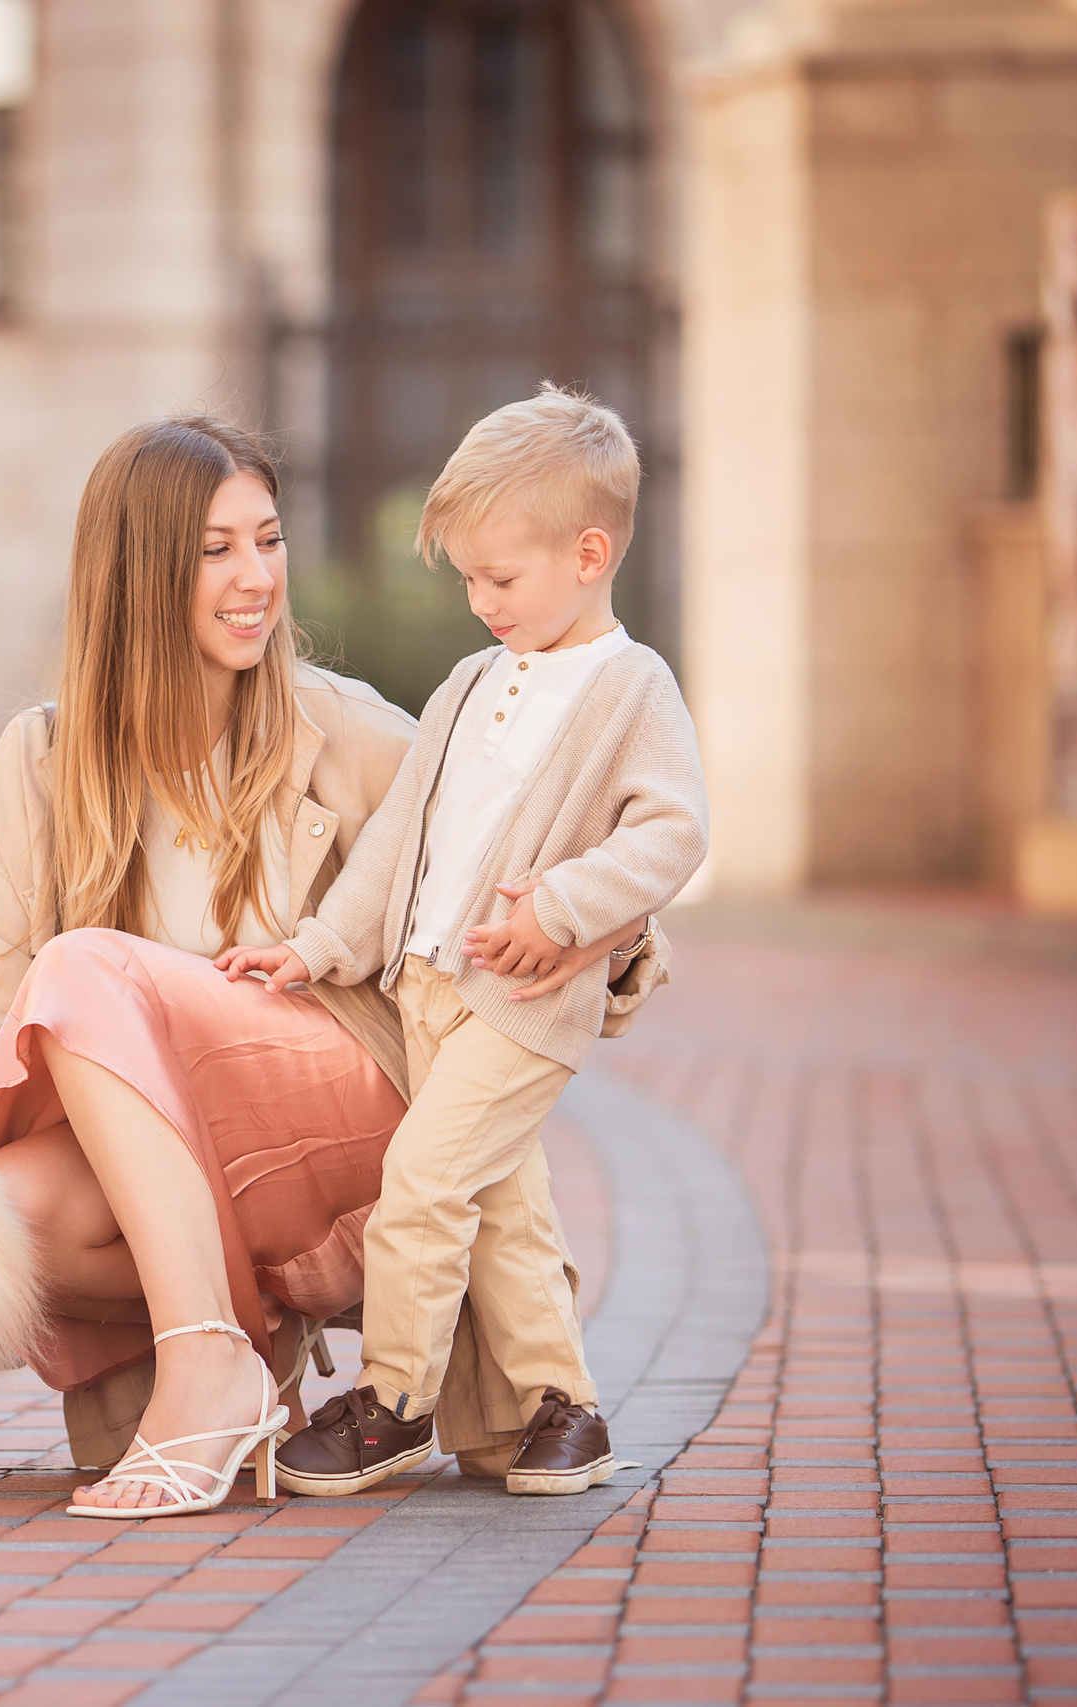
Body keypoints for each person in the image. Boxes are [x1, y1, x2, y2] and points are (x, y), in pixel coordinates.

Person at [0, 413, 659, 1515]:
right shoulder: (45, 765)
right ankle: (246, 1330)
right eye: (214, 550)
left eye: (268, 540)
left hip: (359, 1133)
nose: (256, 578)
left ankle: (203, 1367)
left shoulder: (351, 735)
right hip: (217, 1190)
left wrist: (600, 935)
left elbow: (565, 871)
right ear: (137, 573)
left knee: (84, 971)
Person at [220, 385, 709, 1498]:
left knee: (422, 1186)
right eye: (470, 581)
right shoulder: (468, 683)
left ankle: (393, 1401)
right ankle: (563, 1409)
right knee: (500, 1212)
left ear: (588, 554)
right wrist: (316, 946)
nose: (481, 602)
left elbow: (674, 830)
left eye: (501, 579)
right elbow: (400, 841)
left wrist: (565, 907)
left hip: (522, 999)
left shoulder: (629, 687)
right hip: (428, 991)